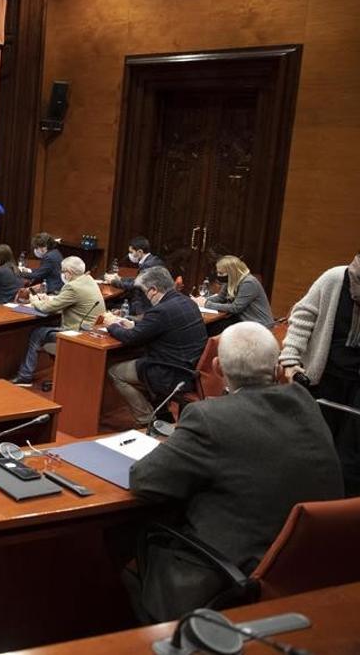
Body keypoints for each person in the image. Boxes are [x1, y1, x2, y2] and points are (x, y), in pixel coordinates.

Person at [127, 323, 343, 622]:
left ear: (216, 368)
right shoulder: (306, 403)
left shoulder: (210, 417)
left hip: (229, 579)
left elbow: (144, 479)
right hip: (304, 574)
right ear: (279, 369)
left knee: (123, 545)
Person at [280, 253, 360, 496]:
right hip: (324, 378)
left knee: (351, 458)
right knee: (312, 446)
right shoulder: (335, 279)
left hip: (357, 387)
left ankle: (337, 513)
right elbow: (302, 317)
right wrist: (290, 359)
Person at [103, 267, 208, 426]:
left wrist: (112, 325)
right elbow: (157, 327)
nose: (145, 296)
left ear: (153, 290)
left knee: (115, 372)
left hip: (170, 373)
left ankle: (146, 420)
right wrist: (134, 324)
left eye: (145, 292)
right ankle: (162, 415)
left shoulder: (161, 310)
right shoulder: (187, 302)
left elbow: (131, 338)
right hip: (190, 370)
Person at [11, 257, 105, 386]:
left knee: (36, 333)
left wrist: (35, 301)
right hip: (90, 332)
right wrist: (48, 299)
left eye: (63, 271)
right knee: (45, 327)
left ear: (69, 272)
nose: (62, 274)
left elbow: (46, 308)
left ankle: (25, 376)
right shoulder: (88, 280)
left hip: (76, 334)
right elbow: (64, 301)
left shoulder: (73, 286)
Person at [194, 255, 275, 335]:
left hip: (259, 325)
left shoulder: (249, 282)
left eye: (221, 273)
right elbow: (220, 298)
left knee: (214, 329)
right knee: (210, 327)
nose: (218, 275)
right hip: (242, 321)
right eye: (218, 272)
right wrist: (199, 301)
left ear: (232, 272)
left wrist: (206, 304)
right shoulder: (231, 280)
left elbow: (236, 308)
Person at [105, 236, 165, 312]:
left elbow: (135, 285)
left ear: (140, 252)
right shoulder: (153, 260)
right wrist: (120, 278)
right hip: (149, 300)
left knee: (109, 304)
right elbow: (139, 279)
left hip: (142, 305)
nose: (129, 255)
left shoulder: (148, 265)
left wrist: (113, 282)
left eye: (131, 252)